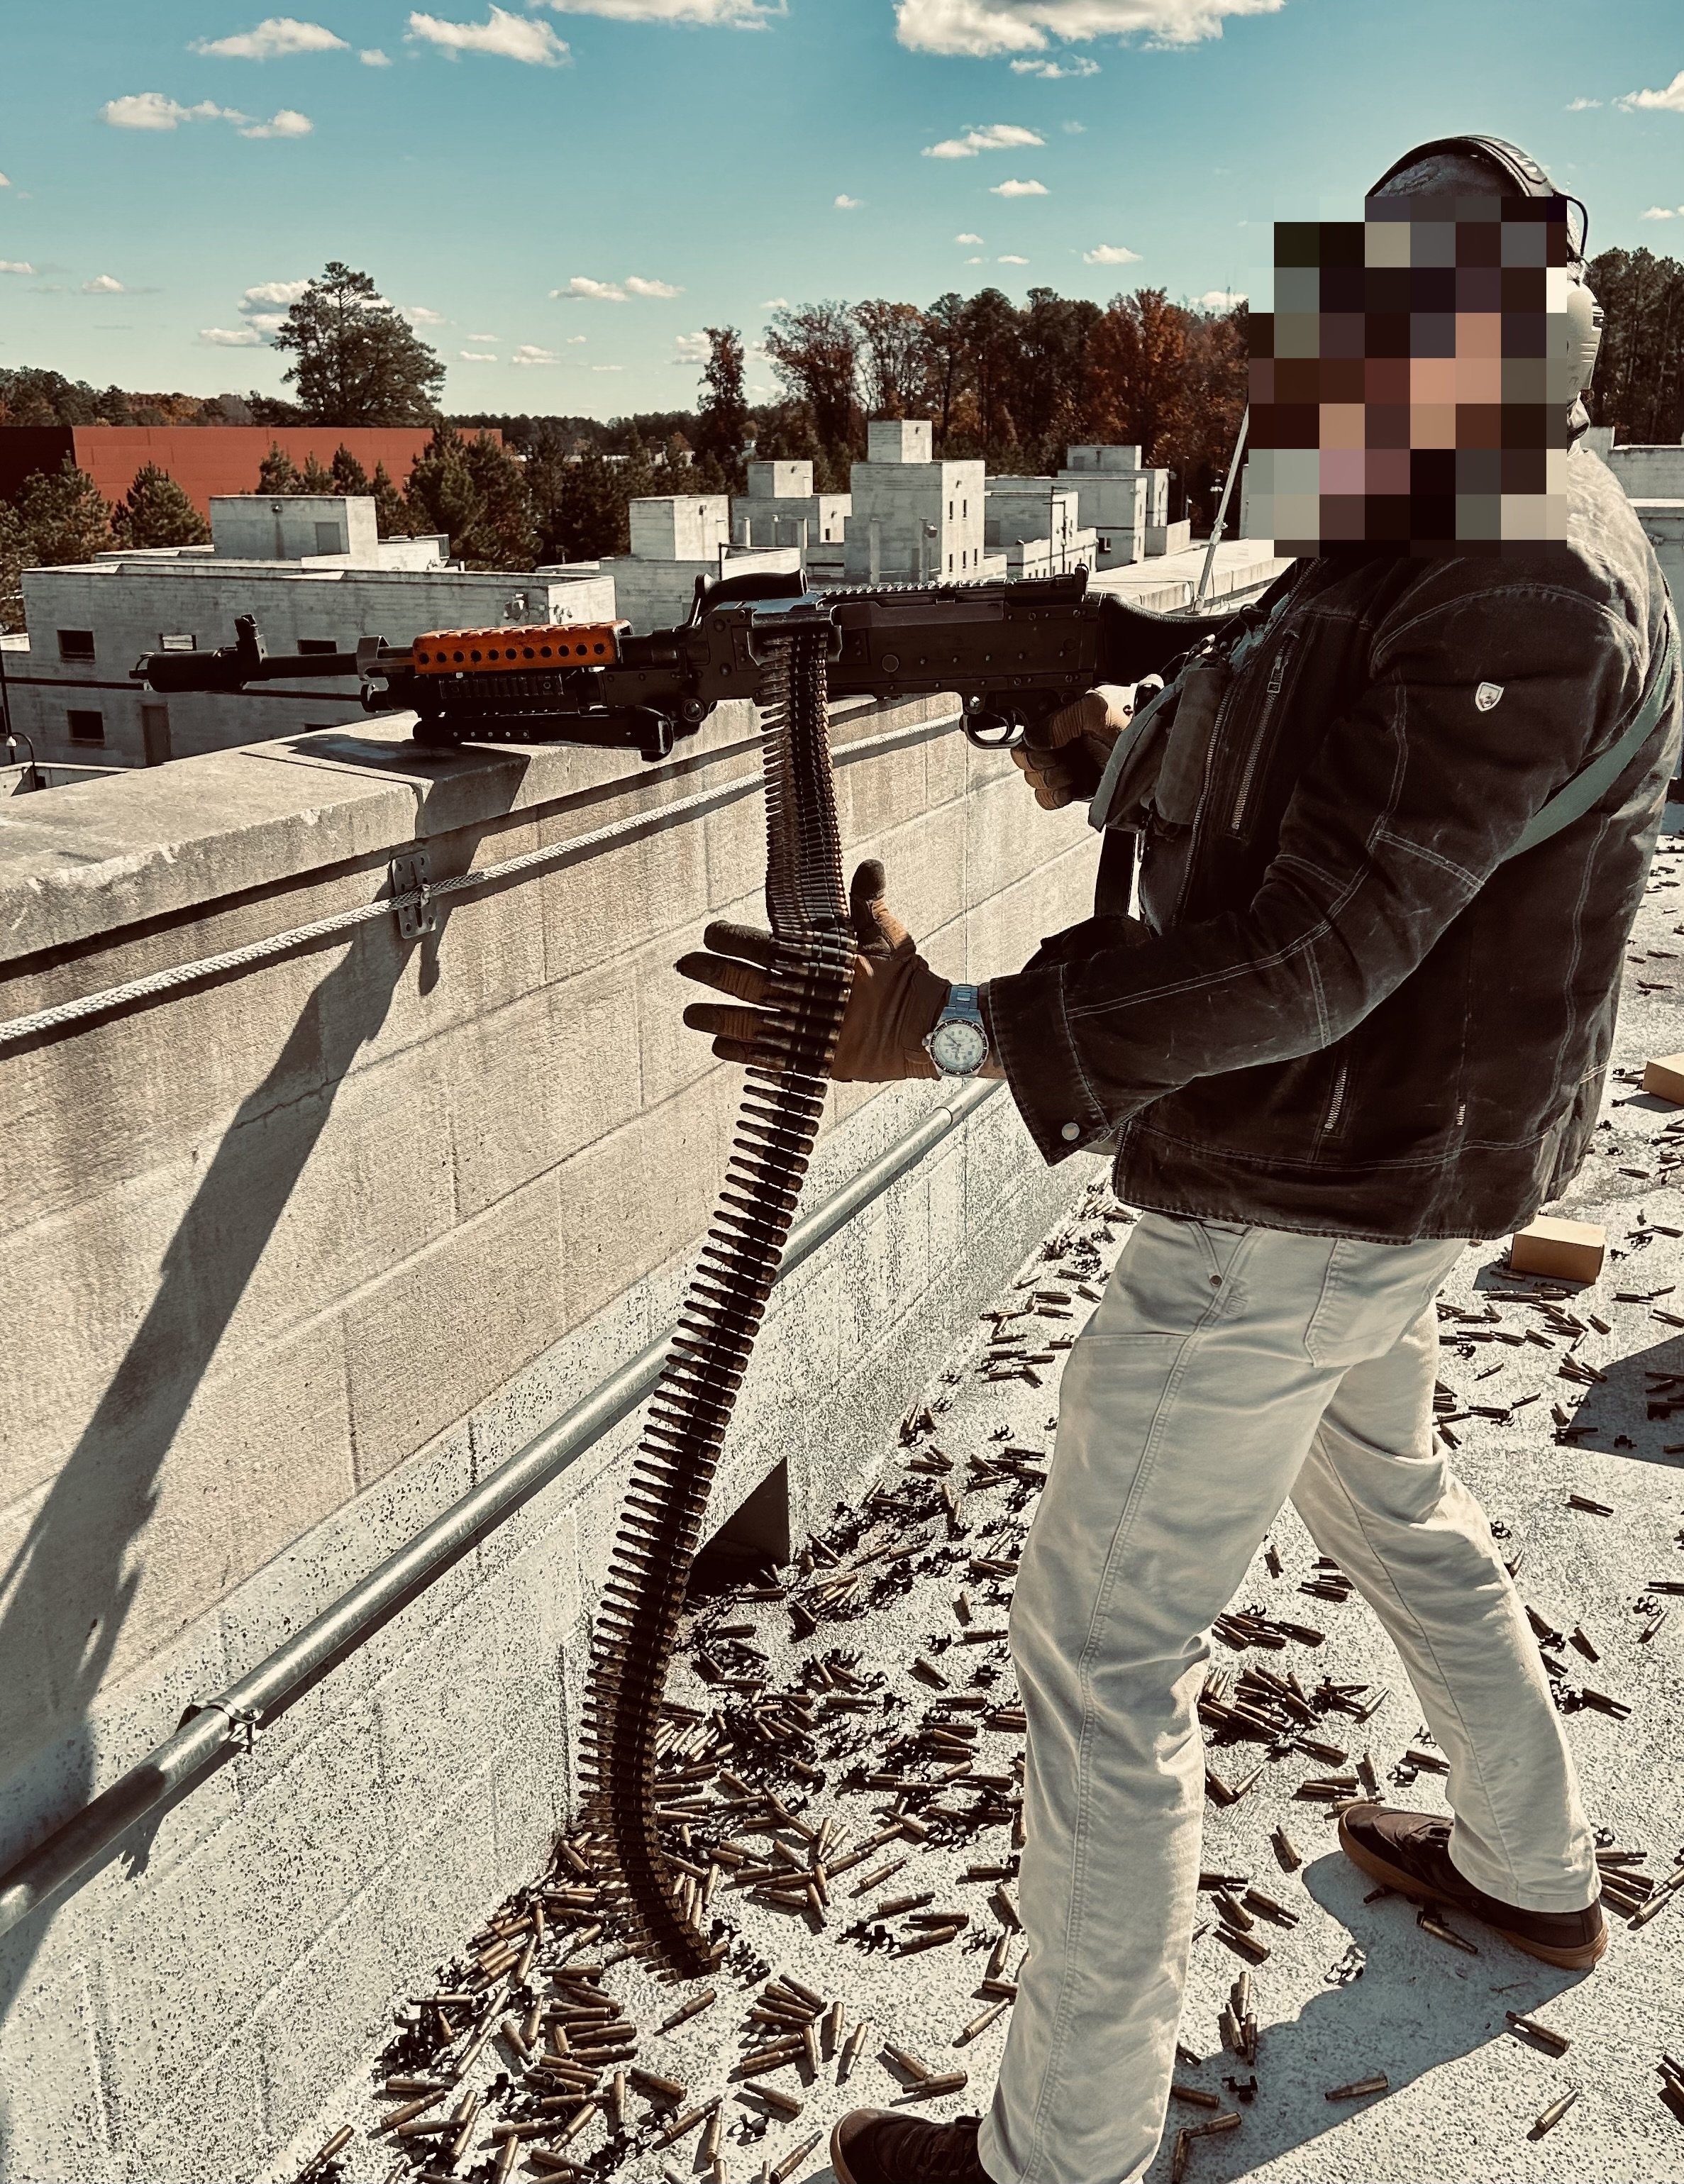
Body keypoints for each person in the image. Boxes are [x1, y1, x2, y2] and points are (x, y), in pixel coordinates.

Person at [677, 135, 1681, 2184]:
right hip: (1401, 1172)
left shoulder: (1517, 572)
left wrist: (952, 1027)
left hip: (1312, 1191)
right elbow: (1332, 786)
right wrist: (1084, 743)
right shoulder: (1460, 520)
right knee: (1396, 1501)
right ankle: (1524, 1859)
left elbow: (1322, 954)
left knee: (1102, 1660)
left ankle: (1066, 2149)